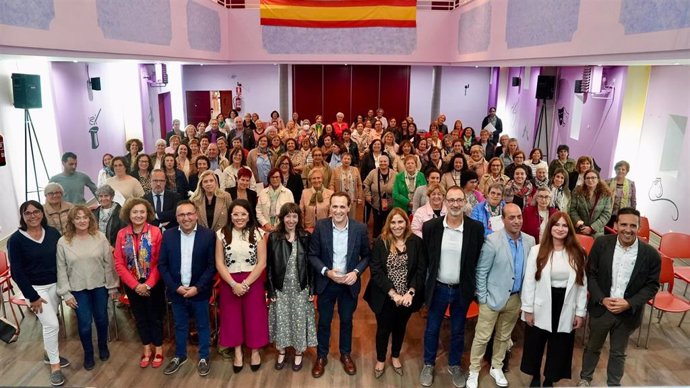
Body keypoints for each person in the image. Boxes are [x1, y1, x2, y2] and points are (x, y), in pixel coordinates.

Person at [577, 208, 661, 387]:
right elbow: (590, 274)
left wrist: (629, 303)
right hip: (602, 309)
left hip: (627, 313)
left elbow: (652, 286)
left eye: (633, 225)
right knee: (592, 347)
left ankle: (614, 384)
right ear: (616, 225)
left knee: (618, 353)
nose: (628, 230)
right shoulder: (601, 244)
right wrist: (601, 298)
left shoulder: (651, 255)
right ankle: (585, 379)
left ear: (639, 227)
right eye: (623, 224)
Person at [419, 186, 485, 388]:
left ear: (465, 202)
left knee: (458, 330)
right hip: (438, 288)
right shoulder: (431, 227)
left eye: (459, 200)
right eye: (451, 200)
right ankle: (428, 364)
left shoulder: (475, 228)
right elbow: (427, 260)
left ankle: (454, 364)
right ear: (445, 202)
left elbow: (476, 260)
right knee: (432, 329)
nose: (455, 204)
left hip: (461, 289)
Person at [466, 203, 536, 388]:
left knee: (504, 337)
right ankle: (473, 371)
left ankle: (496, 366)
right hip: (491, 298)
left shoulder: (530, 241)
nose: (516, 221)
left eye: (519, 216)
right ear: (503, 220)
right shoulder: (492, 241)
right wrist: (482, 298)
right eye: (511, 217)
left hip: (515, 298)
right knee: (482, 337)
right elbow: (481, 271)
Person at [520, 212, 587, 387]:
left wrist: (580, 312)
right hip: (541, 302)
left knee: (559, 345)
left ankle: (550, 378)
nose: (560, 229)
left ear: (569, 229)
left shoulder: (578, 252)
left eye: (565, 225)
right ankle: (535, 376)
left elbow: (582, 284)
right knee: (535, 342)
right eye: (557, 225)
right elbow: (528, 281)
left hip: (565, 303)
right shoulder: (537, 250)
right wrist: (527, 309)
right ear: (550, 228)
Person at [8, 201, 71, 386]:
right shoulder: (16, 240)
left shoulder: (52, 233)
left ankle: (47, 352)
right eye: (28, 213)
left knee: (48, 324)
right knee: (52, 324)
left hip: (55, 285)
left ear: (42, 214)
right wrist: (32, 296)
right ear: (23, 216)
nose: (33, 215)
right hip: (35, 289)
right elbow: (17, 272)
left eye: (36, 212)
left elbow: (62, 260)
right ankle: (55, 366)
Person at [309, 192, 370, 378]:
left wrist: (356, 272)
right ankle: (321, 356)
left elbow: (367, 255)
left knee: (346, 321)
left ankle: (345, 354)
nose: (338, 210)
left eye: (342, 206)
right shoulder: (321, 226)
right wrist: (326, 272)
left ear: (349, 207)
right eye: (335, 206)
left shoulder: (359, 228)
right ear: (330, 207)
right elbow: (312, 255)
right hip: (327, 283)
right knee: (324, 322)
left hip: (348, 284)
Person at [364, 208, 426, 378]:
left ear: (406, 223)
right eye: (393, 222)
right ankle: (381, 359)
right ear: (388, 224)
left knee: (400, 328)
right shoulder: (380, 242)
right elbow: (375, 271)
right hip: (385, 296)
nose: (397, 226)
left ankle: (396, 355)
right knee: (383, 329)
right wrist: (393, 294)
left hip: (407, 297)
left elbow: (420, 270)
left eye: (400, 222)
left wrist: (410, 293)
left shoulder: (415, 242)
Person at [158, 201, 217, 376]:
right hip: (177, 292)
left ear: (196, 215)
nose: (186, 218)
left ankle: (204, 356)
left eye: (189, 214)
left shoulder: (208, 235)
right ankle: (180, 355)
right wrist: (176, 287)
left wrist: (197, 288)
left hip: (199, 292)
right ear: (176, 218)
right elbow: (162, 265)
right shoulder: (168, 236)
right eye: (181, 215)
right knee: (180, 325)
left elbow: (212, 266)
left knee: (203, 325)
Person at [56, 206, 118, 371]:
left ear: (90, 219)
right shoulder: (63, 242)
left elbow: (108, 264)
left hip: (100, 286)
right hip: (77, 289)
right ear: (72, 221)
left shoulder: (100, 237)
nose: (82, 220)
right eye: (78, 218)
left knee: (102, 320)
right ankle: (88, 353)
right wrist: (65, 293)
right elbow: (61, 269)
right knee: (84, 324)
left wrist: (112, 287)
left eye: (85, 217)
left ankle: (103, 347)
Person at [215, 199, 268, 373]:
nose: (239, 217)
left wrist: (244, 284)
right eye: (236, 214)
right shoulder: (221, 233)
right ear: (230, 215)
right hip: (229, 281)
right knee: (232, 318)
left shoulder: (258, 233)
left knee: (255, 317)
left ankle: (254, 351)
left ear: (249, 215)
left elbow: (262, 263)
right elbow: (219, 262)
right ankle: (237, 352)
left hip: (252, 280)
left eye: (243, 214)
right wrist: (232, 283)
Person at [113, 198, 165, 369]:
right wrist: (135, 285)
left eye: (142, 212)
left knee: (155, 317)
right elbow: (119, 263)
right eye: (135, 212)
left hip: (153, 283)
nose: (138, 215)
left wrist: (148, 284)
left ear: (147, 213)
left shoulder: (156, 232)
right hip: (132, 284)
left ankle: (158, 348)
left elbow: (159, 262)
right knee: (140, 318)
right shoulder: (122, 234)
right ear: (128, 213)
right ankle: (146, 349)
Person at [266, 203, 317, 372]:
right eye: (288, 216)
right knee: (282, 319)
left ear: (298, 218)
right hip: (281, 288)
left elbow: (310, 265)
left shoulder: (305, 236)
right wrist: (271, 289)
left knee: (298, 319)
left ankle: (298, 352)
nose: (291, 220)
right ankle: (281, 351)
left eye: (294, 216)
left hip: (300, 286)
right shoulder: (274, 237)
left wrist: (311, 289)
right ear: (282, 218)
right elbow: (270, 266)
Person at [569, 169, 613, 237]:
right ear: (584, 180)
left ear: (598, 179)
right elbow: (572, 209)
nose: (590, 180)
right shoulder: (577, 192)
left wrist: (592, 228)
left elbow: (606, 214)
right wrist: (580, 224)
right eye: (587, 178)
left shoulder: (606, 194)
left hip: (597, 232)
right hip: (579, 230)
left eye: (593, 177)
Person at [363, 153, 395, 237]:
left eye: (385, 161)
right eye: (381, 161)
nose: (383, 163)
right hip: (376, 203)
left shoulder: (395, 174)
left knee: (389, 224)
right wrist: (367, 195)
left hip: (391, 204)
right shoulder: (373, 172)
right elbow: (365, 184)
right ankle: (376, 242)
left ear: (388, 163)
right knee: (377, 225)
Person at [257, 168, 295, 232]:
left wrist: (279, 226)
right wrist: (265, 224)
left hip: (283, 228)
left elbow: (291, 212)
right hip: (266, 228)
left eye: (277, 177)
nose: (275, 179)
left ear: (281, 178)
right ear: (269, 179)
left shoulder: (288, 193)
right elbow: (258, 211)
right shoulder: (262, 192)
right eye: (272, 177)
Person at [329, 152, 363, 219]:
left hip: (352, 199)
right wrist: (333, 195)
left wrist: (359, 196)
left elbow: (359, 185)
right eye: (345, 159)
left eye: (348, 159)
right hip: (339, 199)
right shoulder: (336, 170)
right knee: (340, 216)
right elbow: (331, 184)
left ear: (351, 161)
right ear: (341, 160)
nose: (346, 160)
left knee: (351, 218)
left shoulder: (355, 170)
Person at [607, 160, 636, 226]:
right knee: (608, 233)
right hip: (609, 214)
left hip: (625, 215)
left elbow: (633, 201)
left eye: (623, 169)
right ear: (615, 170)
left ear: (626, 172)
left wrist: (633, 215)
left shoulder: (631, 184)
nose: (620, 171)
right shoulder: (608, 182)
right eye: (618, 169)